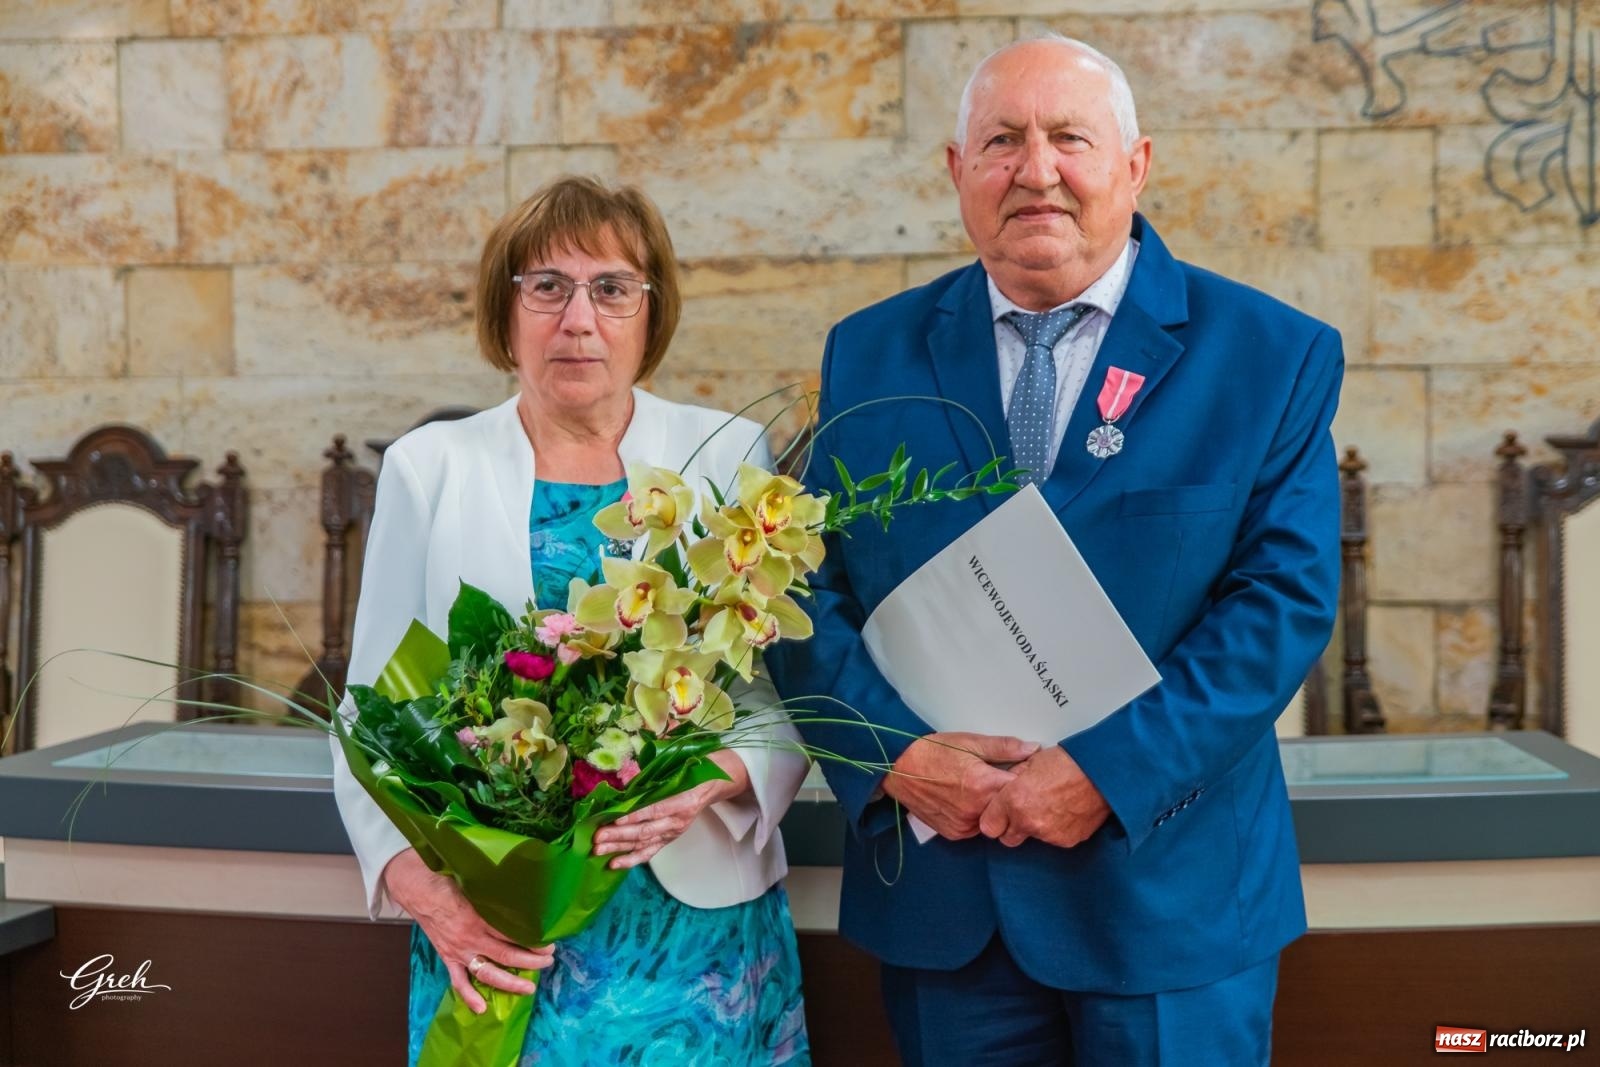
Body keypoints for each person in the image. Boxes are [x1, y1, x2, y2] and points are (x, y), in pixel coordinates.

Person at [764, 34, 1342, 1066]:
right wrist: (893, 755)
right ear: (955, 173)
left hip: (1165, 900)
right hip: (949, 904)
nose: (1035, 170)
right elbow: (803, 591)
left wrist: (1106, 772)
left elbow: (1280, 605)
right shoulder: (870, 350)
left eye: (1069, 138)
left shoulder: (1268, 353)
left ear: (1136, 163)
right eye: (1000, 141)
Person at [330, 176, 811, 1066]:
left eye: (612, 288)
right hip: (502, 932)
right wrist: (427, 895)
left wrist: (715, 775)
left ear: (648, 312)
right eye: (546, 286)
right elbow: (373, 712)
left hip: (695, 933)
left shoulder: (726, 454)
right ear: (505, 313)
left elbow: (781, 689)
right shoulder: (429, 468)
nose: (578, 317)